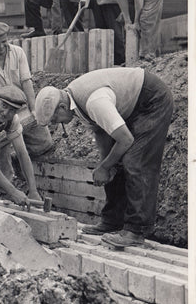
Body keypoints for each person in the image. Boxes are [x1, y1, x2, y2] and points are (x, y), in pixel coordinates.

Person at [34, 67, 173, 248]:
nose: (56, 124)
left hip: (151, 101)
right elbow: (101, 131)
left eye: (55, 119)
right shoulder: (74, 100)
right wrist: (107, 164)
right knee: (114, 162)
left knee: (135, 161)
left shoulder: (94, 102)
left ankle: (136, 231)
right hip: (133, 106)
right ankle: (113, 221)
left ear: (61, 107)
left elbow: (125, 139)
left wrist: (105, 167)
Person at [0, 22, 53, 181]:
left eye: (4, 42)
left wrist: (33, 109)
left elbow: (26, 82)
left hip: (21, 107)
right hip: (1, 111)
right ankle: (7, 184)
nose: (1, 46)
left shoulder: (18, 53)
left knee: (44, 144)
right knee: (2, 146)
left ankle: (20, 160)